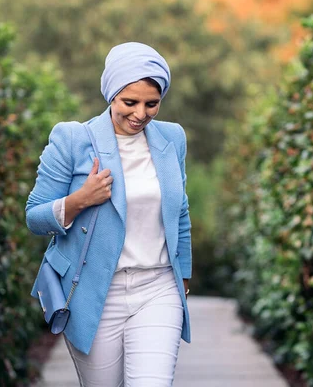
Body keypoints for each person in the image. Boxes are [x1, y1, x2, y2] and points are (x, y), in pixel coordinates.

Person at [26, 42, 192, 386]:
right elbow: (34, 217)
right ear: (111, 94)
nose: (141, 114)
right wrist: (80, 199)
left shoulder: (172, 138)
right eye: (130, 102)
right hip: (93, 292)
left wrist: (184, 276)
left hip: (158, 288)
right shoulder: (72, 138)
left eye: (152, 104)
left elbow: (180, 212)